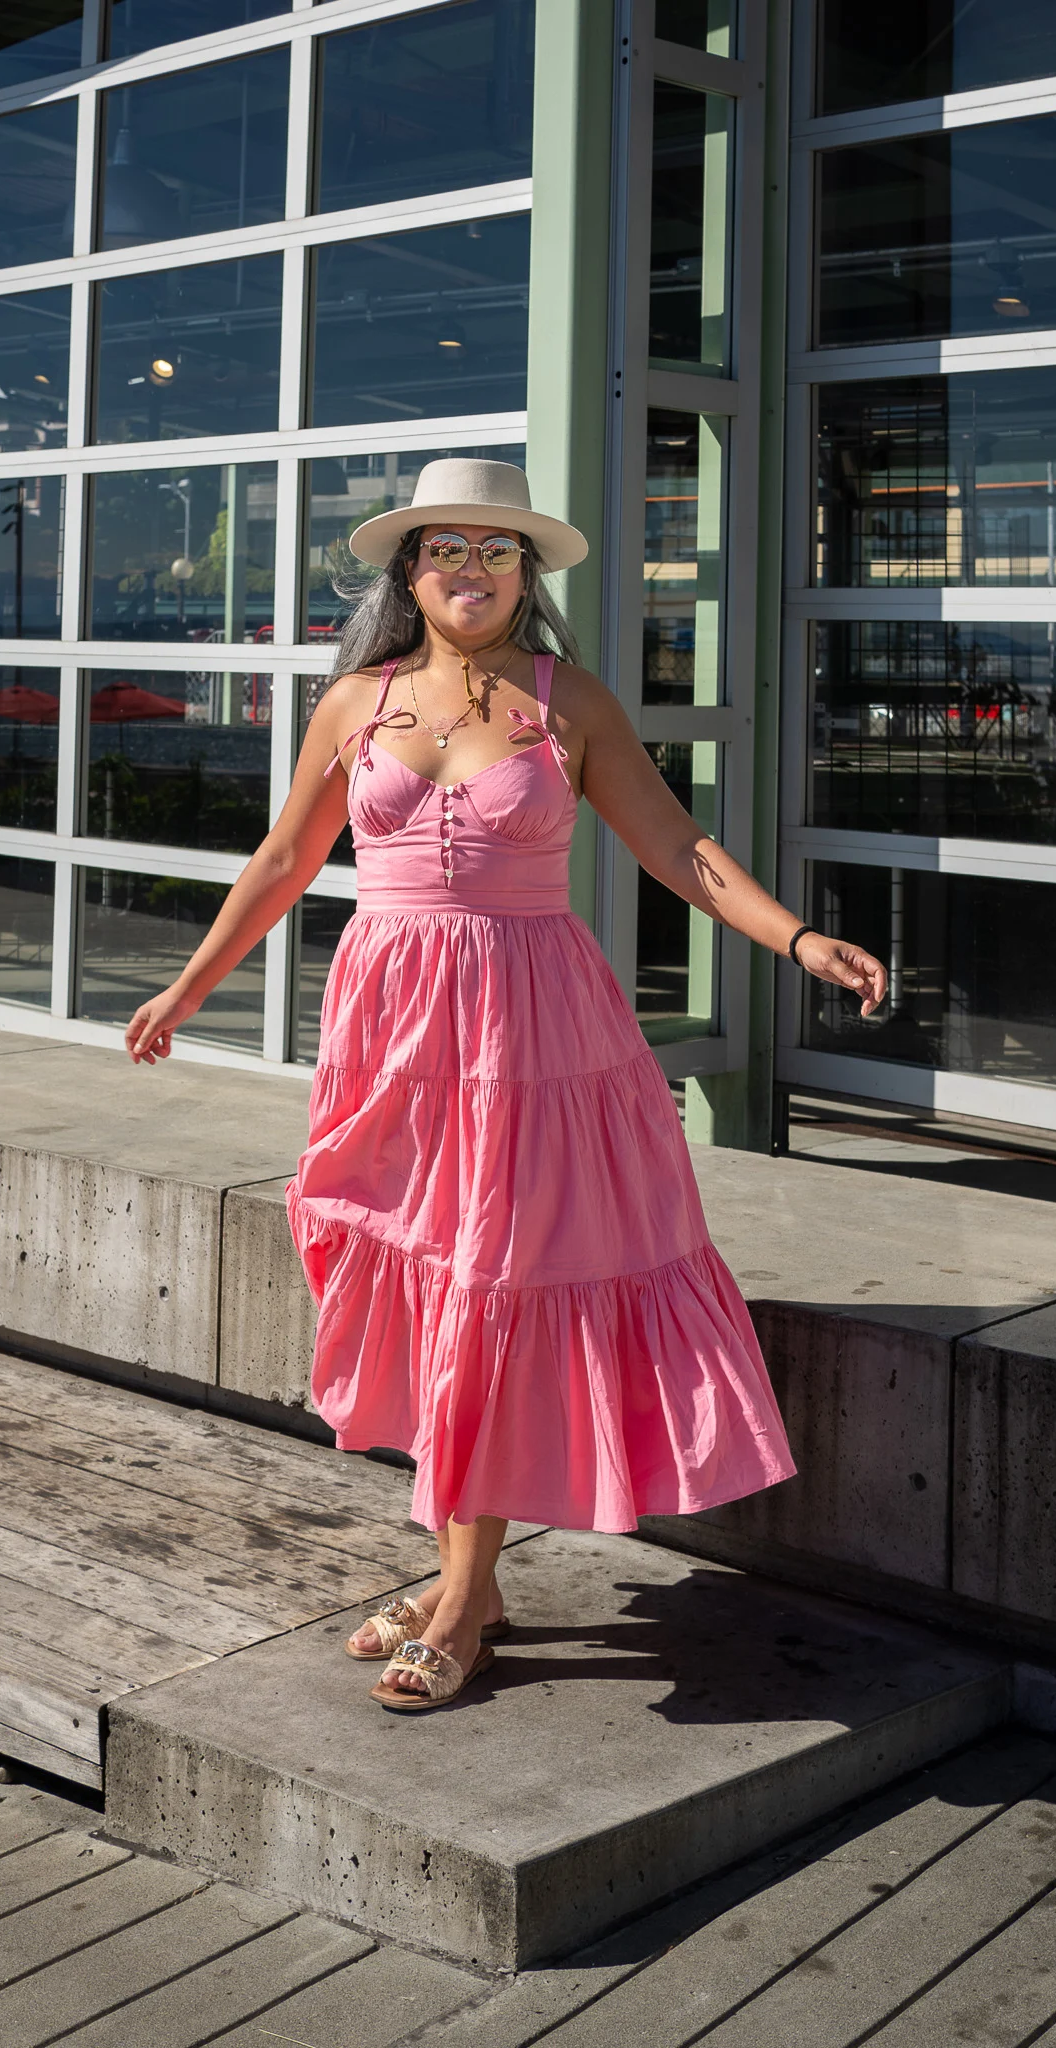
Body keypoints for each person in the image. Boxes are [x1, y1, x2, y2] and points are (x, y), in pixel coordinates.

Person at [126, 459, 886, 1713]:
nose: (469, 569)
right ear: (408, 574)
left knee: (490, 1284)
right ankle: (460, 1576)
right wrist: (190, 985)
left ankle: (468, 1598)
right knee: (427, 1285)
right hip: (393, 1040)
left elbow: (679, 848)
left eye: (496, 548)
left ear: (526, 573)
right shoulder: (353, 703)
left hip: (534, 1039)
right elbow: (282, 855)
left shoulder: (566, 697)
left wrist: (799, 938)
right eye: (444, 549)